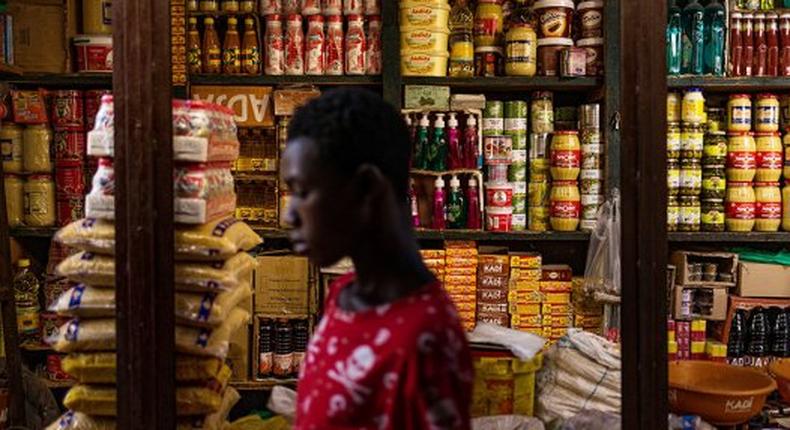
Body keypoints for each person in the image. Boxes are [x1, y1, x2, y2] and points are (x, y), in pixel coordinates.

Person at [282, 88, 473, 430]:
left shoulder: (426, 339)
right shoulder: (342, 295)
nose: (289, 215)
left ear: (366, 188)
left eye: (303, 191)